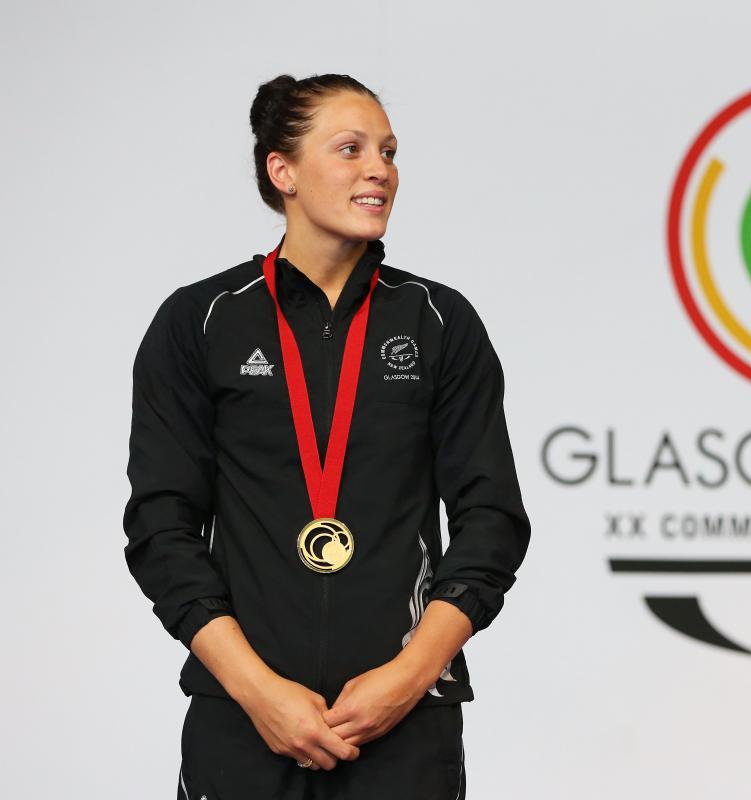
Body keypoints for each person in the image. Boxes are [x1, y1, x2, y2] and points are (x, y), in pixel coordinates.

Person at [122, 72, 531, 799]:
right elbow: (162, 528)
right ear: (283, 172)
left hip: (406, 728)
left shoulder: (439, 321)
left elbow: (490, 522)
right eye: (351, 149)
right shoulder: (201, 321)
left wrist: (407, 680)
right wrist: (258, 693)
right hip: (242, 724)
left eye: (390, 151)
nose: (380, 169)